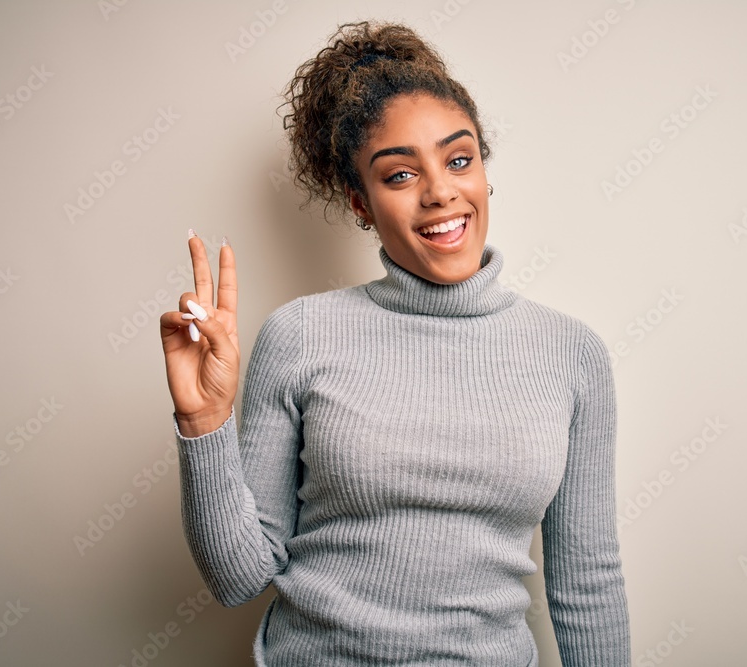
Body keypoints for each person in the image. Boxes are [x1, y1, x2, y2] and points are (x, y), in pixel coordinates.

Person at [159, 19, 631, 667]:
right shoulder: (298, 336)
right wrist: (203, 421)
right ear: (360, 202)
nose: (441, 192)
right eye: (400, 175)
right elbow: (240, 577)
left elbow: (588, 582)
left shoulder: (573, 354)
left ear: (483, 173)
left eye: (459, 160)